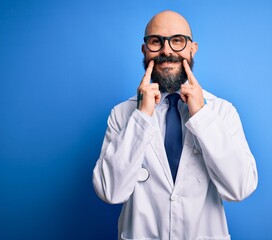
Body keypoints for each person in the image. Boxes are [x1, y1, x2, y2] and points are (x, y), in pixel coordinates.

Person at [93, 10, 258, 240]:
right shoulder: (122, 114)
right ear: (144, 50)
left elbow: (240, 188)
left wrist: (202, 115)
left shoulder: (221, 111)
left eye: (177, 41)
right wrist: (141, 117)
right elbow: (110, 191)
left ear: (193, 48)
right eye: (155, 41)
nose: (167, 50)